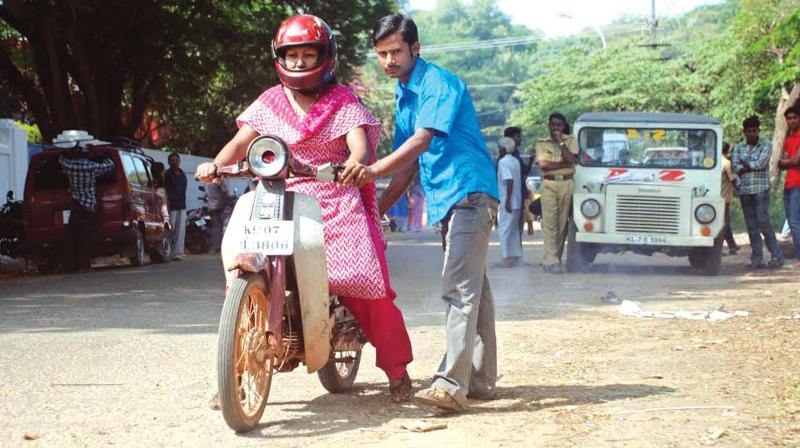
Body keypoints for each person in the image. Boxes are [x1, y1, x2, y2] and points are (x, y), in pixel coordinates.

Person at [195, 14, 413, 403]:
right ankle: (238, 369)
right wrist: (214, 165)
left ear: (324, 56)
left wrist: (355, 164)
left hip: (332, 194)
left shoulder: (342, 99)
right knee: (240, 276)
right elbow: (239, 143)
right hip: (275, 196)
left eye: (307, 54)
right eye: (290, 55)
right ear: (280, 57)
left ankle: (397, 371)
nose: (298, 62)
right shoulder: (270, 100)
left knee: (363, 283)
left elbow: (359, 146)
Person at [340, 13, 498, 412]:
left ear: (416, 48)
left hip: (470, 191)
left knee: (460, 288)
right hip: (447, 200)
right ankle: (479, 379)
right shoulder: (403, 93)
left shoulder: (438, 83)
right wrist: (374, 208)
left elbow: (423, 141)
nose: (389, 60)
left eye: (396, 51)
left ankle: (451, 384)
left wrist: (371, 170)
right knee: (474, 287)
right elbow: (406, 165)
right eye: (382, 54)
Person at [731, 115, 783, 269]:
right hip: (745, 190)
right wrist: (746, 167)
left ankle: (776, 256)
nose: (752, 134)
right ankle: (756, 259)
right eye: (749, 131)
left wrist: (745, 166)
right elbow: (735, 166)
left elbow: (762, 163)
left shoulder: (766, 144)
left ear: (758, 130)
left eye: (754, 131)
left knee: (763, 222)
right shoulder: (738, 147)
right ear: (744, 132)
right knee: (751, 224)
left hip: (761, 188)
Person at [58, 145, 115, 272]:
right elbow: (110, 165)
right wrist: (99, 153)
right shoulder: (92, 167)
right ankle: (83, 265)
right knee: (87, 235)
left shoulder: (70, 166)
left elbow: (61, 159)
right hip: (89, 204)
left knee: (72, 235)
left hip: (75, 204)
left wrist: (68, 151)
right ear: (86, 155)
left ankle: (70, 265)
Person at [536, 112, 578, 274]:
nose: (555, 128)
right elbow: (544, 165)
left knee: (562, 224)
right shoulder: (541, 143)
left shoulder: (571, 140)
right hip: (549, 184)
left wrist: (561, 143)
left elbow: (573, 160)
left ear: (563, 126)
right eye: (552, 125)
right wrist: (564, 161)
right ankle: (550, 260)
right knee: (550, 223)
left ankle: (556, 259)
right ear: (549, 125)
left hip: (567, 183)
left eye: (558, 125)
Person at [494, 137, 524, 267]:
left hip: (509, 201)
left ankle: (506, 258)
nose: (499, 150)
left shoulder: (503, 162)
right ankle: (515, 256)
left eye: (500, 148)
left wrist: (507, 200)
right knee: (513, 231)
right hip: (517, 201)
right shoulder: (515, 161)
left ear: (504, 149)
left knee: (504, 230)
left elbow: (509, 180)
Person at [778, 105, 800, 266]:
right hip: (788, 183)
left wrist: (787, 161)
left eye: (794, 117)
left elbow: (796, 160)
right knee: (792, 221)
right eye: (789, 118)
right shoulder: (788, 138)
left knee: (794, 221)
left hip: (798, 184)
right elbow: (782, 162)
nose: (791, 121)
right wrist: (788, 161)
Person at [504, 126, 534, 236]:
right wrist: (507, 199)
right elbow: (508, 179)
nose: (520, 139)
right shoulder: (505, 156)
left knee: (518, 228)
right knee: (511, 229)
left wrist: (531, 159)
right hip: (510, 197)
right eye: (518, 136)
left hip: (519, 195)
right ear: (511, 138)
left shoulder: (516, 154)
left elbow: (524, 172)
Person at [164, 152, 188, 261]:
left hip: (182, 205)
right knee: (170, 230)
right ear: (169, 162)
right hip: (171, 206)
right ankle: (167, 252)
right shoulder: (167, 175)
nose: (174, 162)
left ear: (179, 161)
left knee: (180, 231)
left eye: (176, 160)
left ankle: (178, 253)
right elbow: (164, 191)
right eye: (172, 160)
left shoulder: (182, 174)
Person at [720, 143, 740, 255]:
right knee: (725, 223)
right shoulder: (727, 163)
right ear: (727, 151)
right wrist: (738, 175)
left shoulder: (714, 161)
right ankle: (719, 248)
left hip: (716, 197)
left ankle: (732, 245)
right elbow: (731, 178)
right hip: (724, 197)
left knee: (724, 222)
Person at [205, 181, 229, 252]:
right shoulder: (218, 182)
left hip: (211, 207)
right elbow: (225, 191)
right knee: (220, 226)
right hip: (219, 206)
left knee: (215, 226)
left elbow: (207, 195)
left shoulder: (208, 183)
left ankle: (215, 245)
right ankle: (218, 245)